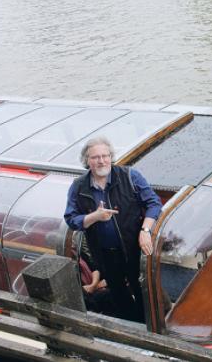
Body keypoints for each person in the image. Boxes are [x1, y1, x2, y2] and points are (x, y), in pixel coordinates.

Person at [64, 137, 162, 322]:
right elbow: (71, 219)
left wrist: (146, 231)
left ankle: (150, 326)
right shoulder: (78, 186)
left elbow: (154, 204)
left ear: (111, 157)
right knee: (118, 293)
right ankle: (131, 326)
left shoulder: (130, 176)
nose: (101, 161)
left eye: (105, 156)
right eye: (95, 157)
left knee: (142, 288)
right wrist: (95, 216)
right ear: (87, 161)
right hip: (104, 253)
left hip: (134, 247)